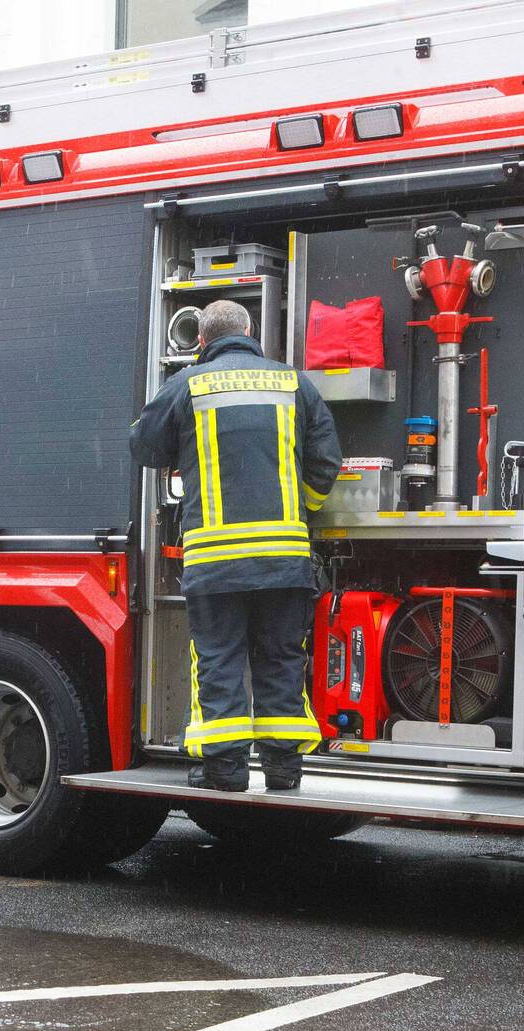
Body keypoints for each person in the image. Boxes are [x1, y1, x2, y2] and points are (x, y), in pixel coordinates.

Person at [129, 299, 343, 793]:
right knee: (281, 659)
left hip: (215, 562)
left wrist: (183, 447)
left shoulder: (188, 385)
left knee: (219, 660)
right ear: (251, 331)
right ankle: (284, 771)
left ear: (201, 342)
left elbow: (142, 445)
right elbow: (327, 459)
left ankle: (224, 773)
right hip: (284, 559)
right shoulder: (293, 382)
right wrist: (301, 509)